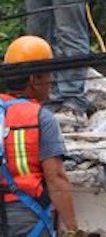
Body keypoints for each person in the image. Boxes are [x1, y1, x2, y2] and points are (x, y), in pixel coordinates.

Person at [1, 36, 78, 236]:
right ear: (34, 79)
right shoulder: (41, 118)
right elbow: (56, 178)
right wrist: (73, 228)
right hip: (27, 215)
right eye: (48, 75)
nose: (51, 81)